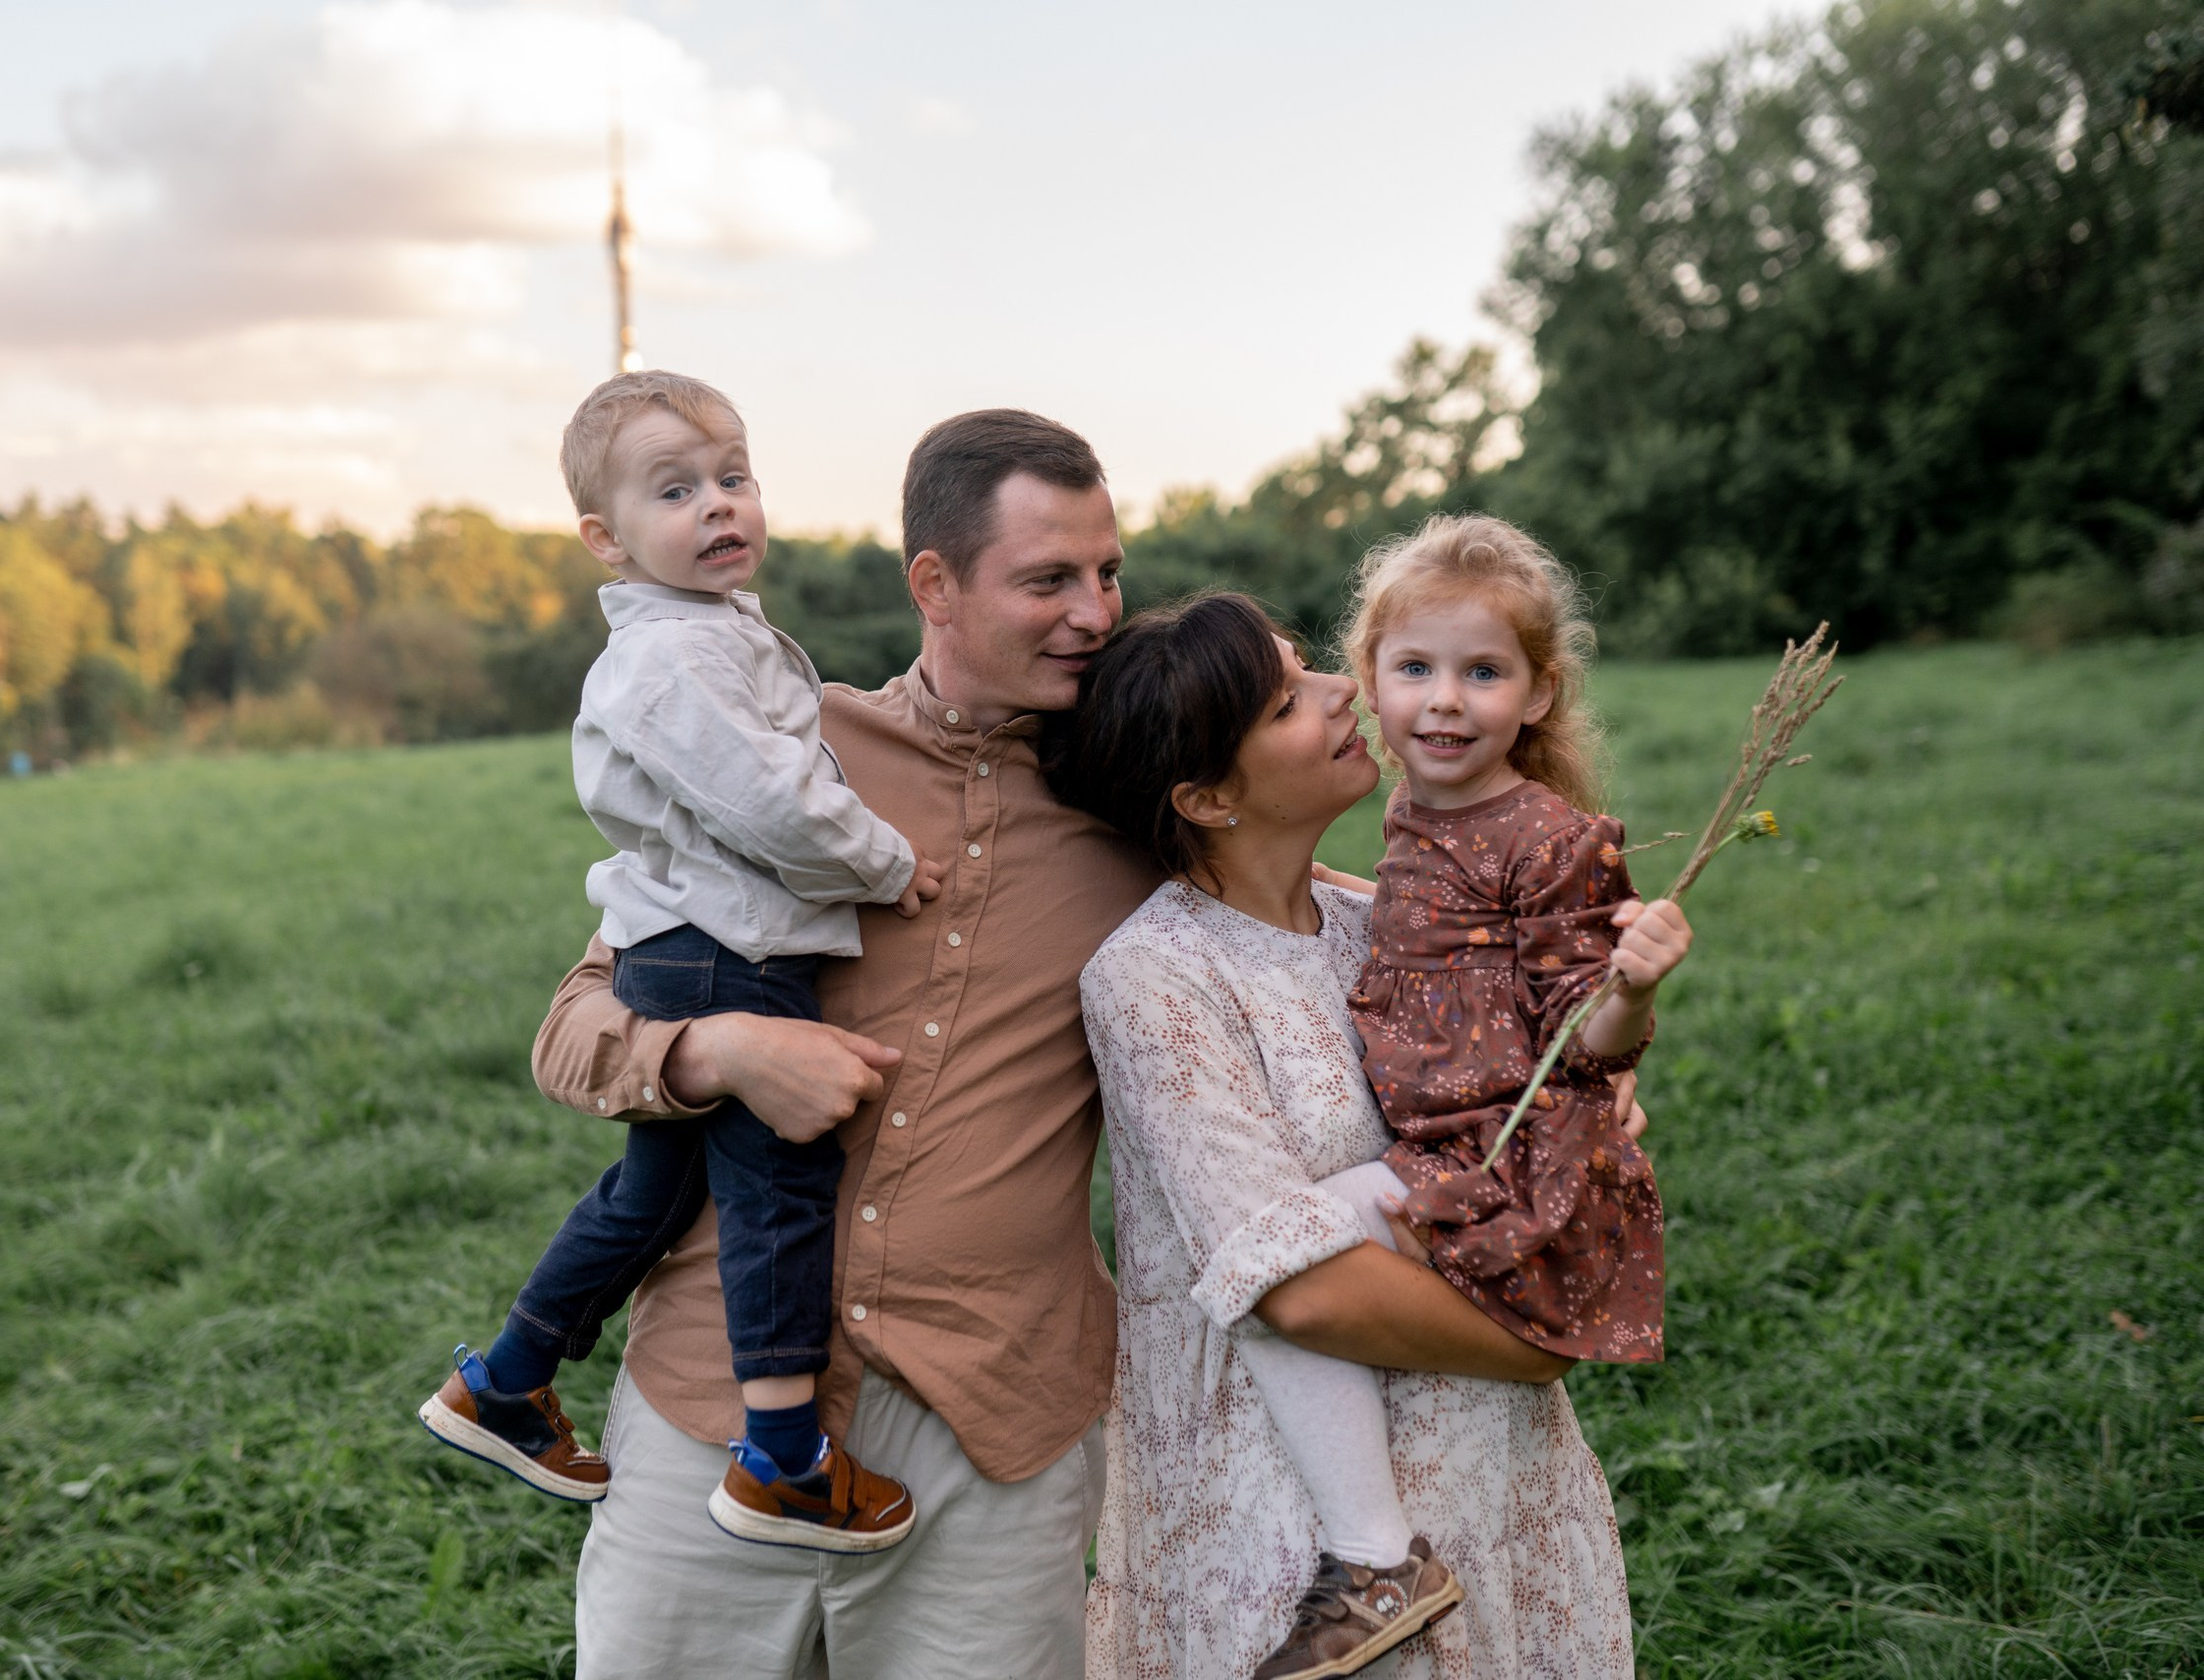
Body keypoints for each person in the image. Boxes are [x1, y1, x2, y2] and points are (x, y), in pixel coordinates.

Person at [530, 408, 1160, 1678]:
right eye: (1048, 580)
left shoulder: (1149, 810)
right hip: (718, 1387)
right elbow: (572, 1029)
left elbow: (1317, 939)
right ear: (934, 582)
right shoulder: (785, 758)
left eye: (1107, 574)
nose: (1094, 613)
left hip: (998, 1413)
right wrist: (714, 1058)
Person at [1052, 590, 1641, 1679]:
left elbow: (1542, 1091)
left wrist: (1591, 1091)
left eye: (1309, 669)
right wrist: (1535, 1346)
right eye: (1287, 700)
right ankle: (1374, 1561)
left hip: (1487, 1467)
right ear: (1207, 794)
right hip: (1291, 1515)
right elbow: (1297, 1288)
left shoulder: (1387, 921)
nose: (1342, 690)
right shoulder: (1155, 977)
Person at [417, 371, 946, 1553]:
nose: (718, 506)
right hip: (725, 955)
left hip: (688, 947)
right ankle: (784, 1457)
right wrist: (883, 862)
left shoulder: (705, 633)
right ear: (606, 540)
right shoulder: (675, 660)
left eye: (733, 478)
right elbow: (773, 801)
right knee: (777, 1193)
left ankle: (507, 1376)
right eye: (676, 491)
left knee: (650, 1197)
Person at [1345, 514, 1688, 1366]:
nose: (1446, 698)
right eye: (1415, 667)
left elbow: (1587, 1042)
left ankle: (1359, 1507)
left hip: (1499, 1153)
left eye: (1484, 672)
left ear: (1538, 693)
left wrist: (1632, 990)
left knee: (1309, 1265)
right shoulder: (1409, 812)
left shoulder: (1550, 841)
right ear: (1372, 680)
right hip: (1424, 1126)